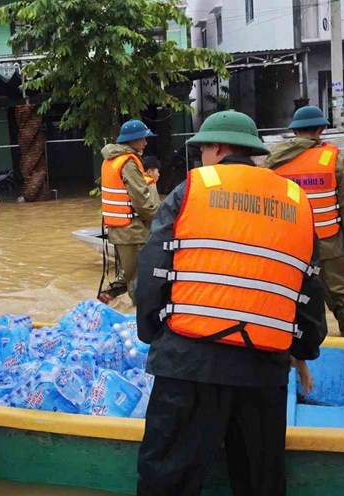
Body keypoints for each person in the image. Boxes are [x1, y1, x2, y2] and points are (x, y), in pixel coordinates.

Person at [135, 111, 328, 495]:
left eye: (202, 149)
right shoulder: (295, 202)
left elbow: (153, 270)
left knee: (167, 481)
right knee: (260, 484)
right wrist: (302, 348)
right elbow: (309, 290)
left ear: (217, 147)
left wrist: (155, 335)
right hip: (262, 372)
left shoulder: (192, 189)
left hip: (188, 363)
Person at [265, 105, 344, 338]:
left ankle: (301, 351)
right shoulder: (332, 159)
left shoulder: (274, 162)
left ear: (294, 131)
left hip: (289, 246)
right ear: (321, 129)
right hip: (329, 243)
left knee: (293, 298)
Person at [98, 119, 160, 305]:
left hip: (119, 229)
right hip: (132, 231)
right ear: (132, 141)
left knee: (131, 271)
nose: (145, 143)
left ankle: (109, 296)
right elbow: (141, 200)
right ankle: (139, 321)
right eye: (143, 139)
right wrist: (161, 218)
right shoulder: (128, 163)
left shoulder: (110, 159)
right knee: (139, 278)